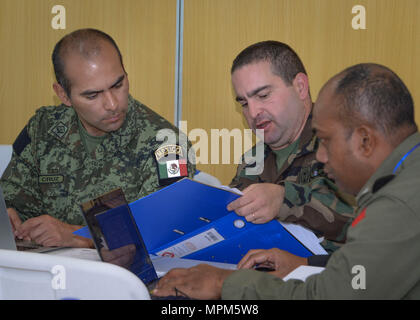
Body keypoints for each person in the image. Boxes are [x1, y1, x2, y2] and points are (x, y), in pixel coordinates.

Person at [153, 63, 420, 299]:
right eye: (244, 102)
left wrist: (224, 283)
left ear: (365, 140)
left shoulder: (397, 203)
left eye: (326, 141)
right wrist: (307, 262)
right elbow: (367, 268)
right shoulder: (406, 175)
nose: (322, 155)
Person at [0, 29, 194, 248]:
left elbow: (165, 231)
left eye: (118, 85)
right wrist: (9, 217)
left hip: (125, 279)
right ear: (63, 95)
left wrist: (78, 236)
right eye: (93, 95)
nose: (112, 104)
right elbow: (12, 199)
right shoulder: (42, 131)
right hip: (47, 273)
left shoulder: (167, 145)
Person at [227, 41, 354, 251]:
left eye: (263, 95)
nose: (253, 112)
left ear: (300, 87)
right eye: (244, 103)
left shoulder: (344, 140)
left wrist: (284, 199)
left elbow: (368, 217)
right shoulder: (252, 160)